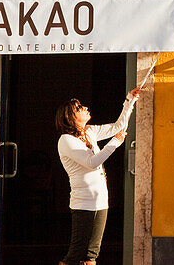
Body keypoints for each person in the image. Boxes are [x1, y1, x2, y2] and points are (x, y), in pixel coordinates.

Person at [55, 88, 140, 265]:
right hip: (83, 202)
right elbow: (91, 162)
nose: (85, 108)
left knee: (92, 254)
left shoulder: (90, 132)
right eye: (79, 108)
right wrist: (115, 142)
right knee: (75, 253)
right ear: (70, 118)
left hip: (100, 200)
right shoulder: (66, 140)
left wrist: (130, 100)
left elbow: (119, 127)